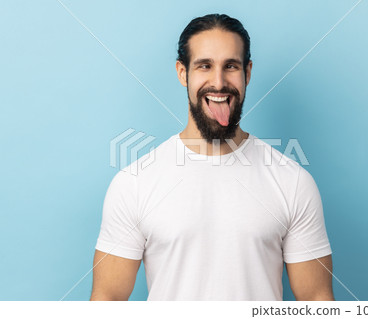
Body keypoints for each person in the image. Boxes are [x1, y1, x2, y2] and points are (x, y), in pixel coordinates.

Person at [90, 13, 334, 301]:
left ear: (248, 73)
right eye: (204, 66)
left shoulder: (292, 181)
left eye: (230, 66)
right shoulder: (134, 183)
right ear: (183, 73)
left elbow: (317, 302)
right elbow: (107, 301)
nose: (218, 82)